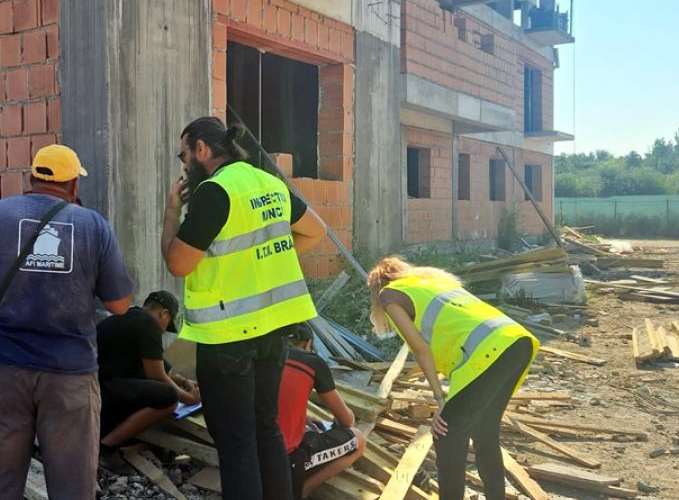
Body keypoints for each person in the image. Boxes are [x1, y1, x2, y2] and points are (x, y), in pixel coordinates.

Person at [0, 144, 134, 500]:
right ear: (74, 184)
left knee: (0, 487)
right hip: (70, 376)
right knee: (73, 488)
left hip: (4, 371)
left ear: (31, 178)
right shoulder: (93, 225)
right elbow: (120, 304)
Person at [161, 117, 326, 500]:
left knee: (236, 442)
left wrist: (171, 212)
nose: (184, 165)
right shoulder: (269, 183)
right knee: (265, 428)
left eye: (183, 156)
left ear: (201, 149)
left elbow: (178, 263)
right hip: (273, 332)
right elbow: (314, 231)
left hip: (228, 337)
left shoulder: (214, 191)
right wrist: (263, 265)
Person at [366, 257, 539, 500]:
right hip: (517, 342)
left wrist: (440, 400)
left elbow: (420, 350)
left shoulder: (389, 296)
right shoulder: (431, 281)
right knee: (485, 431)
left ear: (377, 287)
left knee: (446, 434)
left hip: (489, 353)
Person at [96, 291, 201, 464]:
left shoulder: (129, 318)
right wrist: (189, 398)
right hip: (104, 392)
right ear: (163, 313)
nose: (164, 331)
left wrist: (183, 381)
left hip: (99, 388)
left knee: (164, 386)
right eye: (167, 325)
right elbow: (156, 376)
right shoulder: (148, 324)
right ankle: (107, 446)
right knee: (169, 397)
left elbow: (160, 368)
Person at [277, 324, 366, 499]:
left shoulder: (262, 357)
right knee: (358, 439)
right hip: (284, 456)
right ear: (308, 344)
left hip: (248, 449)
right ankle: (300, 492)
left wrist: (302, 418)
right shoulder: (313, 362)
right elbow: (347, 420)